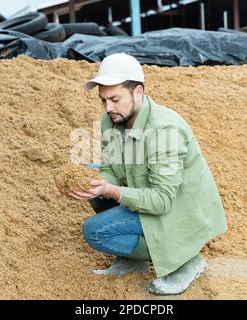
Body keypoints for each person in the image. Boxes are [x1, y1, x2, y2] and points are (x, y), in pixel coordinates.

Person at [66, 53, 227, 295]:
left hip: (178, 211)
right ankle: (134, 260)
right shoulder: (112, 121)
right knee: (90, 175)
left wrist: (110, 190)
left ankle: (186, 259)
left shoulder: (165, 130)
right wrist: (98, 184)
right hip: (147, 196)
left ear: (138, 92)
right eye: (103, 100)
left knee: (95, 232)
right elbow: (110, 168)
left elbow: (162, 200)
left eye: (115, 99)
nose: (108, 108)